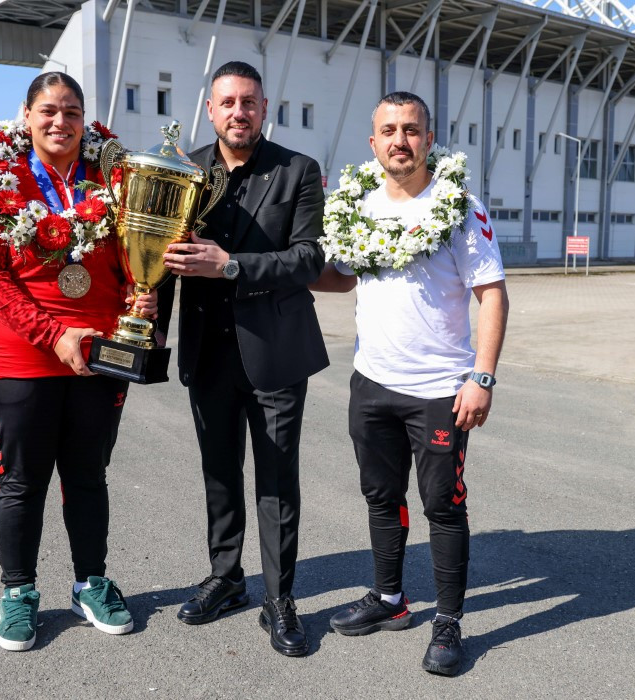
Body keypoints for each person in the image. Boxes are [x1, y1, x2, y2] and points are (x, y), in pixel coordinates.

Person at [311, 91, 509, 675]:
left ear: (429, 138)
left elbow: (492, 294)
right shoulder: (356, 205)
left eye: (412, 130)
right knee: (381, 497)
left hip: (440, 390)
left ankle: (448, 621)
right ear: (372, 143)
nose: (400, 140)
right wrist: (277, 271)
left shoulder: (460, 208)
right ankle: (391, 599)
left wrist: (482, 376)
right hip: (372, 381)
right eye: (389, 130)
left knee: (442, 506)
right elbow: (342, 278)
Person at [0, 72, 157, 651]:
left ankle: (91, 582)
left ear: (84, 118)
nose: (60, 122)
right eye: (48, 110)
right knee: (22, 482)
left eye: (72, 111)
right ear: (26, 115)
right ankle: (18, 592)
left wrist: (139, 294)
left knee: (88, 475)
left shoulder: (110, 176)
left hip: (98, 356)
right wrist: (51, 334)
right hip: (19, 355)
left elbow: (130, 255)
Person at [157, 61, 328, 657]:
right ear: (210, 108)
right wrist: (149, 334)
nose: (238, 112)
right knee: (220, 473)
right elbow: (160, 261)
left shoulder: (297, 171)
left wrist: (231, 265)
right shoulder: (182, 170)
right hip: (207, 350)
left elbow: (308, 259)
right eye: (227, 102)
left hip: (275, 353)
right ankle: (226, 578)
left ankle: (280, 599)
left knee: (277, 479)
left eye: (249, 102)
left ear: (263, 108)